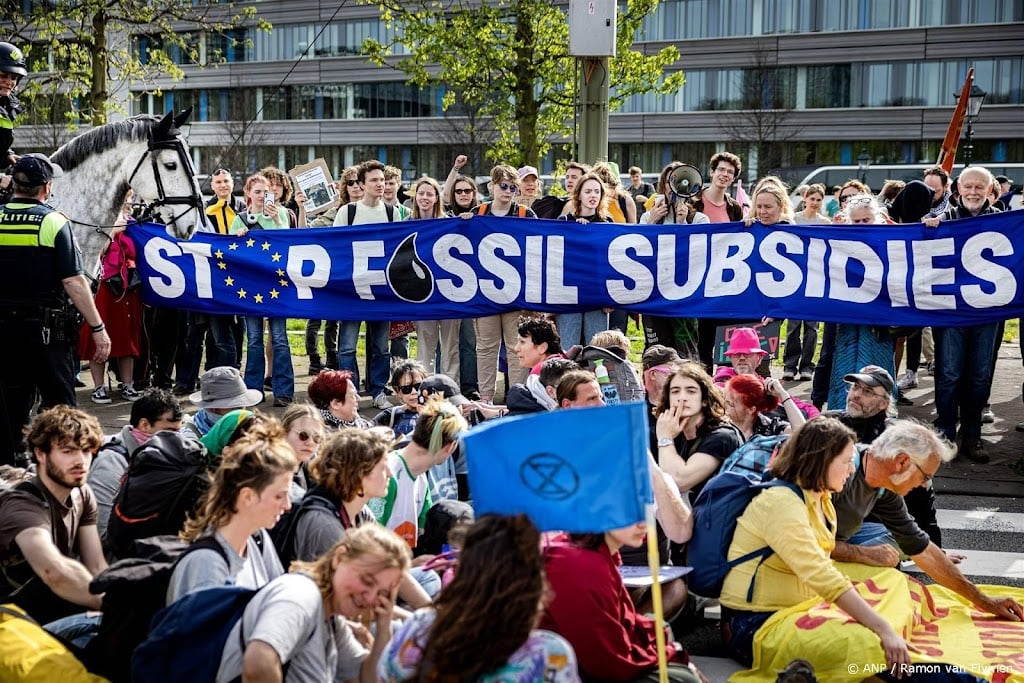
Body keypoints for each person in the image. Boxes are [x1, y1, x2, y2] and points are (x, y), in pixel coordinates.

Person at [719, 418, 912, 672]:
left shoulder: (822, 497)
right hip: (755, 622)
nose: (852, 470)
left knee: (890, 578)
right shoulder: (781, 503)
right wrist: (883, 628)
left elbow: (826, 561)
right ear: (821, 460)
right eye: (846, 462)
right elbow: (821, 573)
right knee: (868, 643)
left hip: (799, 604)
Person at [832, 422, 1024, 622]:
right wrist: (865, 554)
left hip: (832, 539)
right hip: (808, 557)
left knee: (902, 547)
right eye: (926, 477)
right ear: (902, 462)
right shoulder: (840, 472)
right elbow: (803, 546)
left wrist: (985, 601)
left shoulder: (882, 485)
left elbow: (920, 546)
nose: (924, 485)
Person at [0, 153, 110, 465]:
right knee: (62, 413)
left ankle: (11, 481)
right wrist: (98, 329)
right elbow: (74, 281)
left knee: (10, 413)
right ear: (46, 188)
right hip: (46, 337)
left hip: (4, 336)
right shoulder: (52, 221)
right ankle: (60, 474)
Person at [381, 514, 580, 682]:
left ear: (462, 574)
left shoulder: (419, 629)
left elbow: (382, 675)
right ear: (531, 586)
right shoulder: (548, 654)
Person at [217, 525, 410, 683]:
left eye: (382, 593)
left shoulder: (332, 619)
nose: (370, 598)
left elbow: (365, 678)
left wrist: (384, 625)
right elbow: (259, 662)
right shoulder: (301, 596)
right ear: (339, 558)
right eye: (367, 581)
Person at [541, 521, 705, 682]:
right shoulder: (581, 566)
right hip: (562, 671)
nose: (644, 523)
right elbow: (606, 663)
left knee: (661, 630)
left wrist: (669, 653)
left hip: (590, 663)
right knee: (683, 678)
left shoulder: (596, 553)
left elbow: (627, 628)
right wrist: (673, 656)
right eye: (629, 512)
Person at [288, 428, 434, 607]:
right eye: (382, 467)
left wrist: (433, 614)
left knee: (428, 578)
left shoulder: (360, 511)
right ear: (358, 473)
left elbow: (389, 565)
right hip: (327, 615)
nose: (389, 473)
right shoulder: (325, 526)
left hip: (356, 596)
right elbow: (333, 604)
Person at [167, 421, 296, 605]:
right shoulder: (206, 567)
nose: (287, 505)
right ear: (247, 496)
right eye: (279, 496)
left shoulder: (256, 539)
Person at [923, 166, 1002, 463]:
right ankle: (944, 433)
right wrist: (927, 228)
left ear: (989, 190)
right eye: (968, 186)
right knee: (950, 373)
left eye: (979, 187)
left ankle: (972, 435)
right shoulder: (945, 220)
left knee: (980, 375)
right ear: (958, 189)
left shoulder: (1003, 221)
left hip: (988, 313)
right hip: (952, 313)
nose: (973, 192)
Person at [0, 406, 105, 624]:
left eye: (85, 451)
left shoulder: (81, 492)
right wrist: (114, 607)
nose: (80, 461)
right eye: (68, 451)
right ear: (41, 454)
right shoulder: (22, 504)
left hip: (48, 607)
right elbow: (53, 571)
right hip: (12, 622)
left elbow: (95, 565)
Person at [335, 160, 401, 410]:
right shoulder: (348, 212)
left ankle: (377, 391)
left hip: (380, 290)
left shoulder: (392, 212)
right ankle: (348, 392)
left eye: (382, 180)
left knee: (381, 346)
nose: (380, 184)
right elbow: (335, 249)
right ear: (361, 184)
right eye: (374, 180)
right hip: (352, 291)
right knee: (347, 346)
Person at [367, 395, 467, 548]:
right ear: (449, 448)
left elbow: (421, 535)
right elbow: (367, 545)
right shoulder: (389, 477)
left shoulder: (420, 477)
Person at [88, 388, 184, 537]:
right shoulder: (112, 463)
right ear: (144, 424)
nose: (176, 439)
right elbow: (101, 532)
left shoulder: (167, 453)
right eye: (169, 431)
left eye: (178, 432)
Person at [81, 196, 144, 404]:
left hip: (126, 289)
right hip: (103, 289)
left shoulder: (131, 221)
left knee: (127, 336)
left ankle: (128, 384)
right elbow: (92, 254)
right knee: (97, 337)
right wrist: (112, 232)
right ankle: (98, 387)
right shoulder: (96, 220)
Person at [654, 362, 742, 502]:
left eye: (691, 391)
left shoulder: (722, 436)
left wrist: (664, 439)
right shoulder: (676, 434)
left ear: (705, 400)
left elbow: (679, 481)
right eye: (675, 391)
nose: (682, 397)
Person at [181, 366, 264, 439]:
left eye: (243, 406)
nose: (242, 413)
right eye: (236, 408)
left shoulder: (252, 429)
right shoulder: (188, 438)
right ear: (214, 409)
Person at [724, 374, 804, 442]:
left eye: (730, 404)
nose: (723, 405)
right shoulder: (718, 424)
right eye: (723, 398)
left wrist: (783, 394)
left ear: (751, 410)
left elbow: (803, 434)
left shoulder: (769, 428)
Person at [373, 361, 428, 438]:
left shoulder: (438, 414)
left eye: (418, 386)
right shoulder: (392, 415)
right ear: (397, 391)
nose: (414, 392)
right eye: (406, 389)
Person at [282, 403, 326, 499]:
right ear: (284, 434)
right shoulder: (270, 470)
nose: (310, 442)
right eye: (303, 435)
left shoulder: (311, 465)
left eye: (317, 437)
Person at [308, 369, 374, 431]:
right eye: (353, 395)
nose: (359, 399)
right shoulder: (331, 437)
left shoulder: (352, 421)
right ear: (335, 404)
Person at [0, 42, 26, 172]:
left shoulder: (5, 106)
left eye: (14, 78)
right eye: (3, 76)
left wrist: (7, 155)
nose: (9, 82)